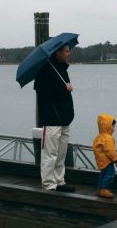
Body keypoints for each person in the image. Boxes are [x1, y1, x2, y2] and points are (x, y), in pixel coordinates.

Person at [33, 45, 75, 192]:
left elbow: (64, 92)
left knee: (61, 154)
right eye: (66, 51)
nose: (69, 54)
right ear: (57, 53)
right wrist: (64, 88)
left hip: (64, 119)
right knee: (50, 154)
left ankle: (59, 181)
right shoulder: (44, 70)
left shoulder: (62, 69)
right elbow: (42, 93)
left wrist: (66, 88)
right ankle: (49, 185)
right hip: (51, 120)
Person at [92, 114, 117, 198]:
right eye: (113, 126)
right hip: (107, 161)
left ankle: (101, 189)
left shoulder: (98, 137)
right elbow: (111, 151)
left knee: (103, 175)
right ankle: (104, 190)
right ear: (108, 126)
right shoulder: (108, 138)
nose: (114, 129)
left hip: (101, 161)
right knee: (110, 175)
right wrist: (116, 160)